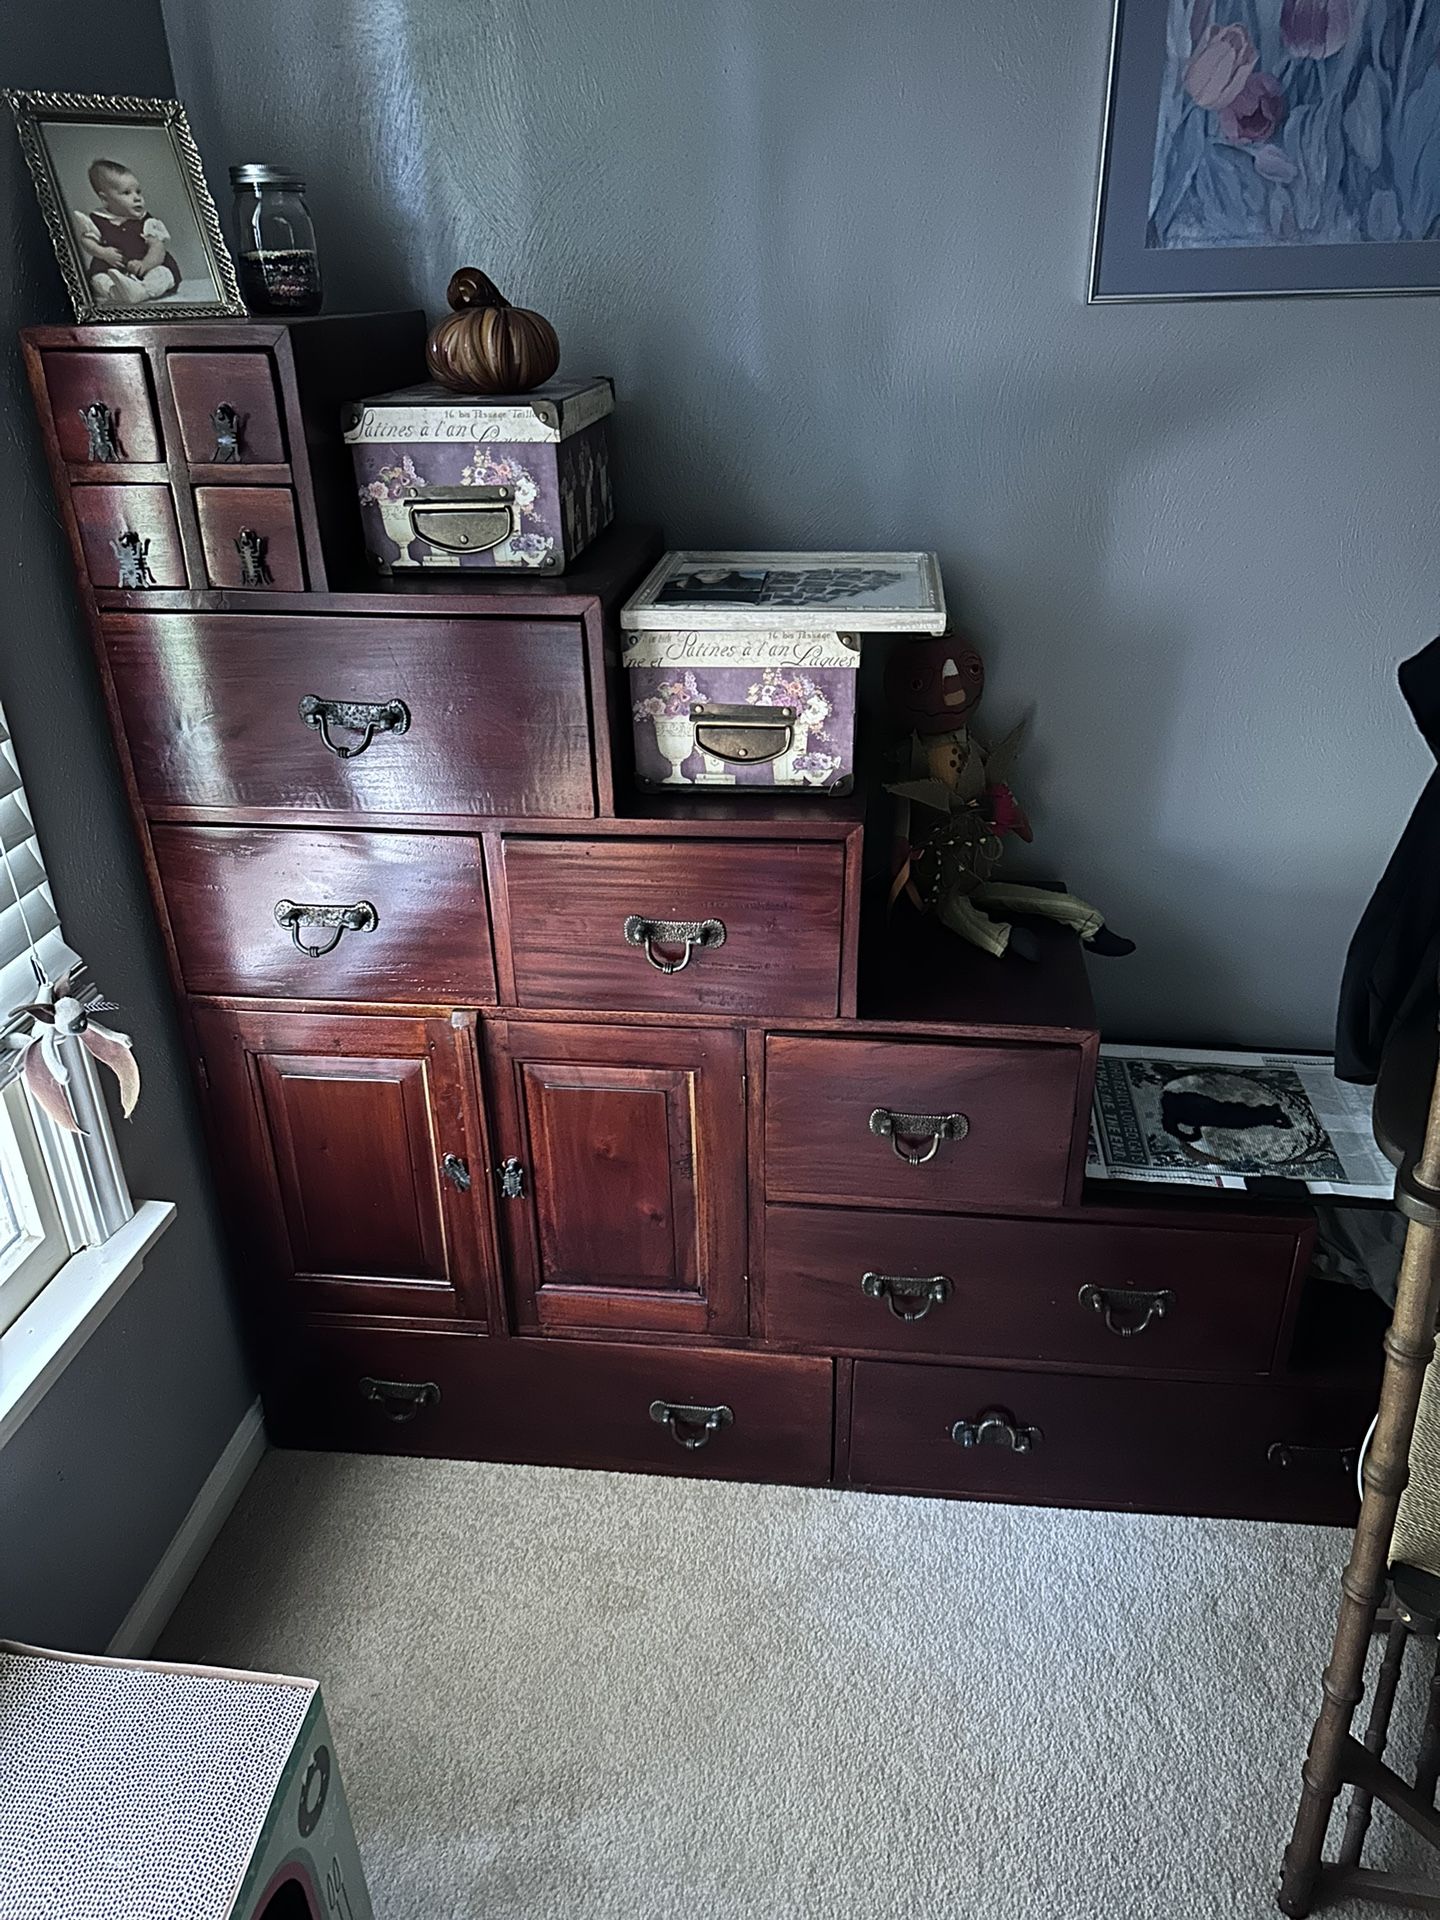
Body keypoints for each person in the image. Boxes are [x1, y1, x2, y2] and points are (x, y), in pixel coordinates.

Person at [72, 158, 180, 306]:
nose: (137, 198)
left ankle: (142, 290)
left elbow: (158, 248)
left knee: (163, 274)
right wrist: (103, 253)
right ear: (105, 199)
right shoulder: (98, 220)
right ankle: (117, 291)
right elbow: (87, 241)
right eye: (127, 193)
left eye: (138, 192)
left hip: (146, 269)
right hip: (112, 270)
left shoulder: (146, 221)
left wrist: (145, 264)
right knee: (98, 279)